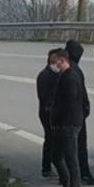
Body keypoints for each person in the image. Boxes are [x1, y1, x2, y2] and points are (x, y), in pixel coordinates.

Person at [48, 49, 84, 187]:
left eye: (53, 62)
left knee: (71, 159)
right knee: (56, 156)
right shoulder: (63, 76)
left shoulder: (70, 78)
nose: (52, 65)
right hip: (62, 124)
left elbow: (69, 104)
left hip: (68, 124)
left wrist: (60, 119)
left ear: (62, 60)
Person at [65, 39, 94, 185]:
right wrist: (85, 108)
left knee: (71, 146)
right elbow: (80, 94)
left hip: (73, 115)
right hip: (76, 115)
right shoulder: (74, 70)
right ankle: (81, 174)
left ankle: (72, 175)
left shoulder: (69, 68)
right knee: (78, 146)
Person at [36, 48, 65, 180]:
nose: (57, 63)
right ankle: (49, 167)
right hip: (48, 113)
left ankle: (47, 167)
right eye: (55, 60)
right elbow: (46, 97)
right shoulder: (47, 75)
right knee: (52, 140)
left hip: (48, 112)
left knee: (50, 139)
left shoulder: (49, 74)